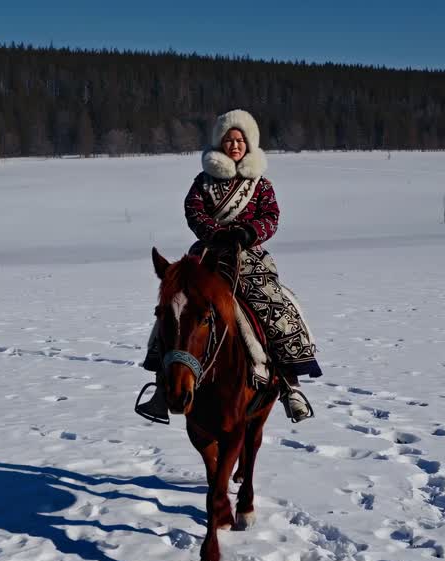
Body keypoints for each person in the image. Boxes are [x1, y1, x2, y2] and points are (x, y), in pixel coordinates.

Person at [136, 108, 321, 423]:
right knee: (174, 309)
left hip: (249, 256)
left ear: (249, 143)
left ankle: (291, 385)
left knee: (276, 304)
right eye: (229, 140)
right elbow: (193, 211)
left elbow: (271, 217)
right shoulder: (203, 181)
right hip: (208, 254)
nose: (234, 145)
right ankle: (161, 385)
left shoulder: (260, 184)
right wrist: (215, 232)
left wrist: (249, 232)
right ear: (220, 143)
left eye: (240, 140)